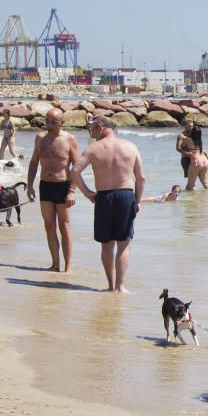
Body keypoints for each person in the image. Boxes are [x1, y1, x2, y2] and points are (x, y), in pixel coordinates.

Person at [71, 115, 145, 293]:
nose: (91, 132)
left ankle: (110, 286)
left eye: (93, 128)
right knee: (124, 243)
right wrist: (137, 200)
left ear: (101, 127)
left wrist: (87, 192)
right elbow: (141, 178)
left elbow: (74, 171)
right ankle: (121, 286)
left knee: (107, 244)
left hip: (104, 197)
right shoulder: (130, 147)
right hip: (125, 195)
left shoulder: (93, 149)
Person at [27, 108, 81, 273]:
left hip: (62, 186)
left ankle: (68, 266)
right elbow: (34, 162)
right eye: (47, 121)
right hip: (45, 184)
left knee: (64, 226)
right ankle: (55, 263)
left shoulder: (69, 139)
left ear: (61, 123)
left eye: (53, 122)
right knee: (49, 225)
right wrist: (29, 185)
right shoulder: (40, 138)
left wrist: (72, 190)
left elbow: (77, 167)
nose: (49, 125)